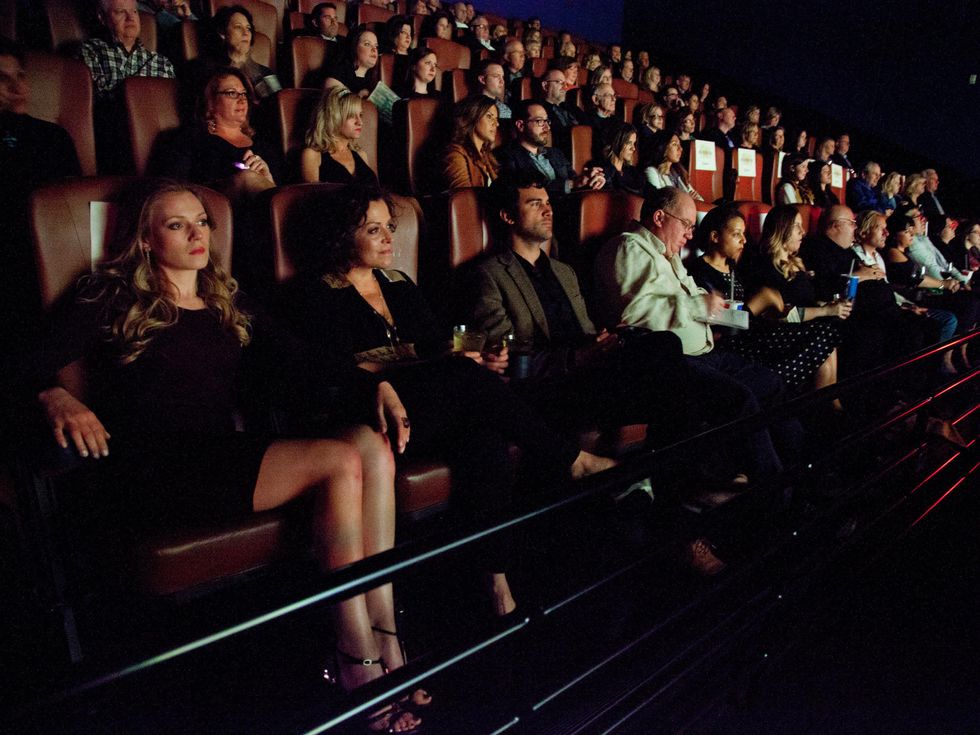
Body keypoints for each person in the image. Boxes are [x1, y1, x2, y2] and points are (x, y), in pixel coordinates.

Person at [15, 182, 426, 733]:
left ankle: (387, 644)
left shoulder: (224, 296)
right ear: (145, 236)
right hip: (152, 468)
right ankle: (355, 656)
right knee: (338, 460)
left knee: (369, 446)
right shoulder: (108, 295)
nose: (197, 234)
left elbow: (299, 359)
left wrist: (368, 387)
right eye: (177, 224)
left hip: (219, 454)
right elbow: (20, 363)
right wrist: (54, 393)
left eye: (202, 222)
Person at [278, 182, 616, 617]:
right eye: (374, 229)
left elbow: (438, 346)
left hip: (427, 406)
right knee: (463, 382)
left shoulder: (399, 283)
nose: (388, 238)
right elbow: (334, 372)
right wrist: (436, 367)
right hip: (368, 415)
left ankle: (496, 581)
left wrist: (473, 357)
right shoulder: (314, 294)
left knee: (484, 436)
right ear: (344, 235)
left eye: (390, 227)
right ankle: (571, 458)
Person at [594, 186, 797, 482]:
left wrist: (727, 310)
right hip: (673, 362)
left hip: (705, 354)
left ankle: (793, 470)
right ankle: (774, 492)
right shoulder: (630, 247)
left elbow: (696, 299)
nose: (690, 234)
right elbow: (634, 313)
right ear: (660, 217)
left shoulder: (670, 256)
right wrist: (697, 305)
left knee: (771, 383)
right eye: (686, 224)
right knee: (740, 400)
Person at [687, 207, 846, 396]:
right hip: (734, 344)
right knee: (822, 331)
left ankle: (822, 402)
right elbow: (717, 326)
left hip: (755, 331)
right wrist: (762, 301)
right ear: (715, 237)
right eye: (736, 234)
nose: (744, 240)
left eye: (744, 234)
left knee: (827, 329)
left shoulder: (735, 267)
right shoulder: (699, 271)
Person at [0, 37, 82, 349]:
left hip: (46, 245)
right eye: (3, 79)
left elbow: (74, 202)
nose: (16, 86)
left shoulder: (53, 136)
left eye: (20, 76)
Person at [81, 0, 176, 172]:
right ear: (102, 17)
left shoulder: (162, 63)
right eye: (120, 12)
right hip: (111, 142)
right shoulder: (90, 52)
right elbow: (97, 106)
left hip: (156, 143)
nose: (130, 18)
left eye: (134, 12)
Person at [494, 100, 604, 196]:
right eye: (540, 121)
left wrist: (589, 179)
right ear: (520, 125)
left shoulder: (556, 153)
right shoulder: (506, 155)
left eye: (547, 121)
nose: (547, 127)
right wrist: (572, 184)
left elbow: (574, 179)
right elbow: (530, 188)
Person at [301, 86, 378, 185]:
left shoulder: (361, 155)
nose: (360, 122)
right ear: (333, 118)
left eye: (360, 115)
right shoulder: (312, 155)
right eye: (351, 116)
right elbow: (313, 198)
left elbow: (377, 194)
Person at [205, 5, 281, 99]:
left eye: (248, 28)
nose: (246, 32)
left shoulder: (266, 73)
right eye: (238, 27)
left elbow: (280, 105)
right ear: (222, 33)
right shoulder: (210, 70)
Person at [442, 95, 498, 189]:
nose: (496, 123)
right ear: (473, 116)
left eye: (496, 119)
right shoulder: (455, 154)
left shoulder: (484, 153)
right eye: (489, 116)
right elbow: (464, 199)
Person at [586, 121, 644, 195]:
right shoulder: (601, 170)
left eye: (634, 143)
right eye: (629, 143)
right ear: (616, 143)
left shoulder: (633, 172)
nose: (633, 148)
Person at [642, 131, 703, 201]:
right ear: (662, 148)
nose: (680, 149)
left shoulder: (678, 171)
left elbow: (697, 197)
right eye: (674, 144)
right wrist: (687, 199)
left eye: (679, 144)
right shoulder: (651, 171)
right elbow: (659, 201)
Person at [539, 66, 585, 154]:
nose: (564, 87)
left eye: (565, 83)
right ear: (545, 86)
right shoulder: (539, 110)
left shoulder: (574, 108)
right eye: (559, 82)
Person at [324, 26, 380, 97]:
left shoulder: (376, 80)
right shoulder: (336, 77)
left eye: (376, 46)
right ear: (354, 47)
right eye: (367, 44)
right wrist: (358, 97)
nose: (374, 50)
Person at [919, 168, 949, 235]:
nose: (937, 182)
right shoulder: (922, 197)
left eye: (937, 180)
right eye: (934, 179)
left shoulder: (938, 197)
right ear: (925, 180)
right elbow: (929, 216)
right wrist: (944, 219)